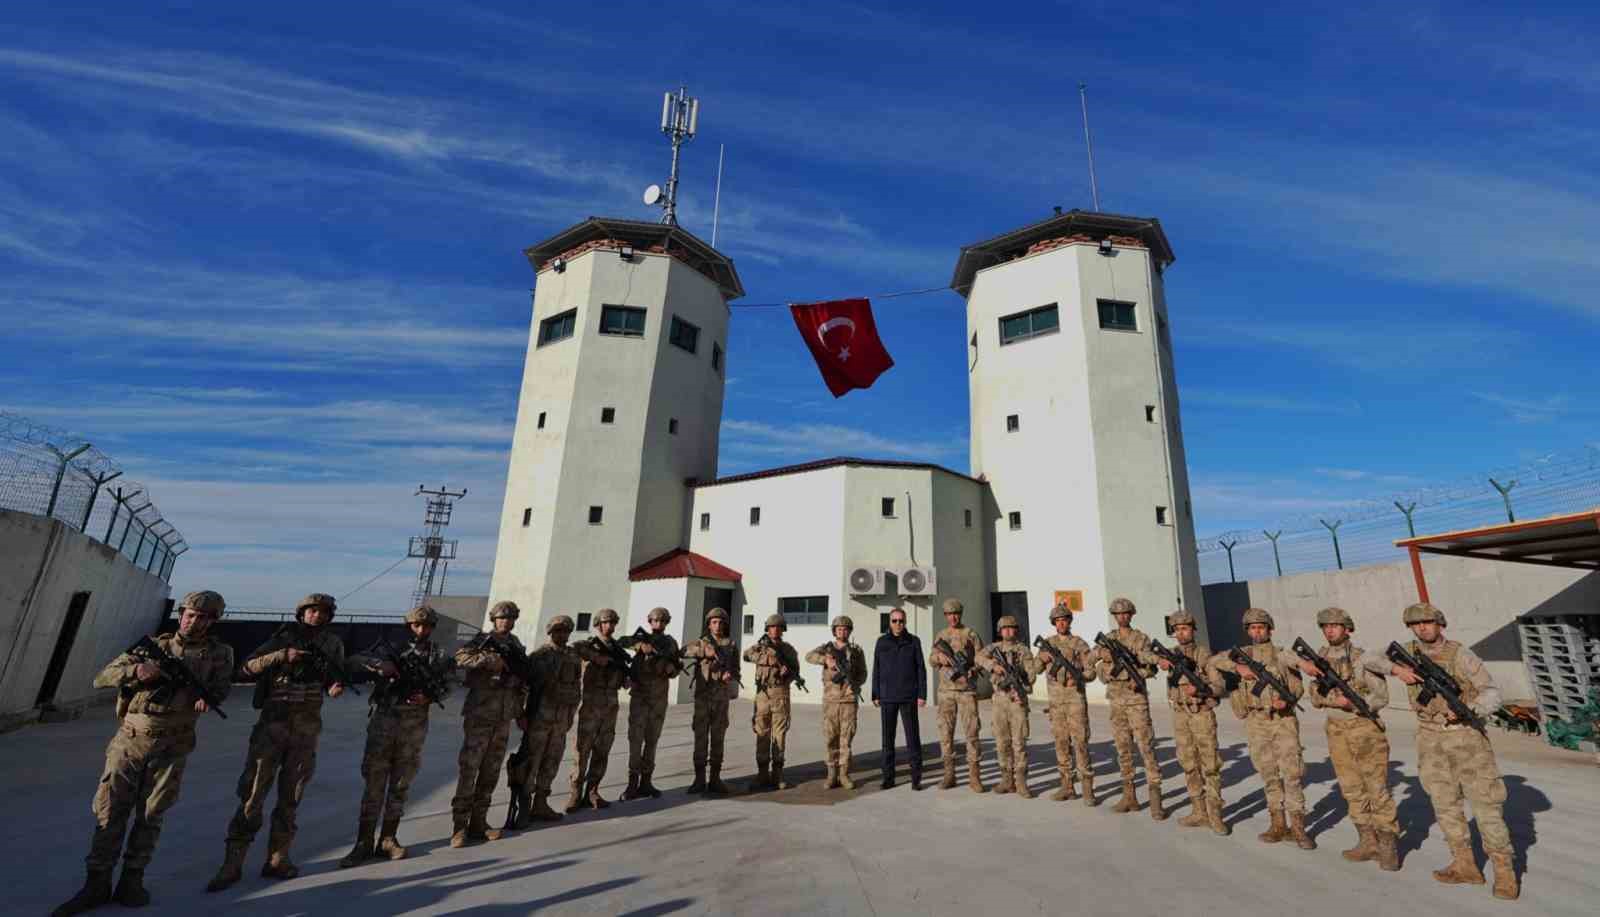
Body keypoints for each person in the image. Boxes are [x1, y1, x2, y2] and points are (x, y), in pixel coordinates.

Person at [53, 591, 233, 916]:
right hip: (131, 740)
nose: (195, 621)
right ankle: (96, 883)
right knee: (110, 810)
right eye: (191, 614)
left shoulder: (219, 654)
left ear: (213, 621)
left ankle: (132, 879)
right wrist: (136, 672)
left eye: (204, 617)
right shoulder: (153, 646)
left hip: (173, 744)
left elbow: (221, 690)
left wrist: (207, 699)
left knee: (151, 814)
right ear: (181, 614)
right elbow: (101, 677)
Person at [1369, 602, 1516, 900]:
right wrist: (1398, 670)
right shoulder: (1408, 651)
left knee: (1486, 804)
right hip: (1429, 737)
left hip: (1466, 737)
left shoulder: (1461, 654)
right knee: (1444, 803)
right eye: (1415, 624)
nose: (1422, 627)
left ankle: (1504, 872)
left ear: (1439, 623)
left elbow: (1492, 693)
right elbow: (1369, 659)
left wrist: (1468, 709)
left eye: (1427, 622)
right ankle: (1465, 865)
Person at [207, 593, 349, 891]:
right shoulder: (282, 637)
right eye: (312, 611)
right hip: (272, 727)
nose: (317, 616)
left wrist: (336, 684)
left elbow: (337, 674)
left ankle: (278, 858)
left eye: (323, 612)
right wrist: (282, 656)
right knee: (253, 795)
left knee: (291, 798)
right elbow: (245, 669)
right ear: (302, 613)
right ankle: (232, 863)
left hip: (306, 730)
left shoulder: (332, 644)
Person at [338, 604, 455, 868]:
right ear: (409, 626)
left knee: (401, 783)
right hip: (384, 722)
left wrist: (431, 696)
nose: (422, 630)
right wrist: (379, 665)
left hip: (414, 725)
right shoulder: (389, 649)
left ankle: (388, 838)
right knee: (374, 782)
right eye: (416, 625)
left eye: (426, 626)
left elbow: (450, 682)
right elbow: (354, 660)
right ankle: (363, 842)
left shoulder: (438, 654)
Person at [1297, 607, 1398, 870]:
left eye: (1335, 625)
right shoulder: (1318, 659)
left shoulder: (1362, 658)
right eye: (1325, 626)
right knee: (1351, 787)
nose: (1329, 630)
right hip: (1336, 730)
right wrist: (1333, 699)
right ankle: (1367, 841)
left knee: (1376, 788)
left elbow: (1381, 696)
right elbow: (1315, 697)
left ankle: (1387, 846)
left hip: (1364, 728)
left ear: (1347, 628)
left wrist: (1354, 704)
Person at [1208, 607, 1311, 849]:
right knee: (1268, 773)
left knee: (1292, 774)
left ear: (1269, 629)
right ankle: (1277, 824)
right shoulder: (1242, 654)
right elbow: (1214, 661)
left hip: (1282, 720)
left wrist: (1287, 700)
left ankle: (1298, 828)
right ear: (1248, 631)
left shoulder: (1281, 654)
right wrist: (1239, 669)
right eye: (1253, 628)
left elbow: (1297, 687)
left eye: (1261, 627)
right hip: (1256, 720)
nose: (1257, 631)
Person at [449, 601, 528, 845]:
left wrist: (520, 712)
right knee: (469, 769)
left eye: (510, 618)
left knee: (491, 771)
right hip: (480, 715)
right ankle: (459, 827)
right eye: (501, 618)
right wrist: (488, 659)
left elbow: (522, 681)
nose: (505, 621)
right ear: (494, 619)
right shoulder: (481, 640)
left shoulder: (515, 645)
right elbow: (460, 657)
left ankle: (479, 822)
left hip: (503, 717)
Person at [1154, 609, 1227, 833]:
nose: (1181, 633)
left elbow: (1220, 687)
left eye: (1185, 628)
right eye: (1177, 630)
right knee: (1188, 763)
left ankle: (1215, 814)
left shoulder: (1205, 656)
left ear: (1193, 630)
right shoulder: (1171, 654)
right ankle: (1198, 810)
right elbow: (1150, 656)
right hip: (1180, 713)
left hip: (1201, 713)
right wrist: (1161, 663)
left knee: (1211, 764)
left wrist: (1202, 688)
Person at [1094, 597, 1164, 818]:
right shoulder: (1108, 639)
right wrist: (1103, 654)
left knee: (1146, 747)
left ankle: (1155, 800)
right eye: (1118, 614)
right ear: (1114, 617)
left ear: (1132, 615)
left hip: (1136, 701)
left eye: (1126, 614)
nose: (1122, 617)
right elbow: (1091, 660)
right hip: (1116, 700)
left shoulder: (1141, 639)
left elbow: (1152, 669)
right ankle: (1129, 796)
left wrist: (1140, 675)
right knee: (1123, 749)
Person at [516, 614, 583, 820]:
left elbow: (576, 686)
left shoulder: (573, 656)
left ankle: (541, 803)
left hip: (561, 718)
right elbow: (523, 686)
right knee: (532, 761)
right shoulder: (539, 655)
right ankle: (524, 807)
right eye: (556, 630)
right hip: (540, 717)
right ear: (549, 632)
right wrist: (521, 713)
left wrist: (571, 713)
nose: (561, 634)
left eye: (564, 631)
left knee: (552, 761)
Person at [566, 609, 629, 812]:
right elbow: (574, 648)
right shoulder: (589, 644)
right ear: (598, 624)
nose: (609, 626)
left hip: (610, 706)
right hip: (590, 705)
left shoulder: (617, 649)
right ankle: (575, 793)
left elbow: (621, 671)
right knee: (581, 751)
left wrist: (625, 678)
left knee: (602, 750)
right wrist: (596, 657)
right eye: (606, 622)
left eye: (613, 622)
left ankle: (592, 791)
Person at [1036, 604, 1097, 803]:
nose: (1061, 623)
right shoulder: (1048, 644)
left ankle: (1088, 789)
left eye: (1065, 620)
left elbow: (1091, 671)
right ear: (1054, 623)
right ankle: (1067, 786)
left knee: (1080, 743)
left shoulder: (1079, 643)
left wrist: (1079, 677)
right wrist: (1042, 658)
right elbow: (1035, 669)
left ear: (1070, 622)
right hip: (1056, 702)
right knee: (1061, 743)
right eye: (1058, 620)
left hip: (1075, 700)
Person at [928, 598, 986, 792]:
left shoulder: (970, 634)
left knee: (971, 733)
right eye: (949, 614)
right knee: (946, 734)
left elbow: (982, 656)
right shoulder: (941, 635)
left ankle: (974, 777)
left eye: (956, 614)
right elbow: (931, 658)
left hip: (966, 691)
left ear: (960, 614)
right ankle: (949, 774)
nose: (953, 617)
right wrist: (940, 658)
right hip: (946, 692)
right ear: (945, 616)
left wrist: (974, 668)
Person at [621, 606, 679, 800]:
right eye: (655, 620)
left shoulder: (670, 643)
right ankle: (632, 783)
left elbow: (676, 668)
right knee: (635, 740)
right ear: (650, 621)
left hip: (658, 698)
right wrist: (640, 646)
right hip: (640, 697)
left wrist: (671, 668)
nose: (659, 624)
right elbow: (622, 641)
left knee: (652, 741)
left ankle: (646, 781)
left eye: (663, 621)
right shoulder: (641, 638)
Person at [682, 607, 740, 795]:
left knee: (718, 738)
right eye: (714, 622)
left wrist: (730, 674)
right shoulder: (701, 642)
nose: (718, 625)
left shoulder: (730, 644)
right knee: (700, 737)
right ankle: (699, 779)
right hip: (703, 697)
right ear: (709, 624)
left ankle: (715, 778)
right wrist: (704, 651)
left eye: (721, 622)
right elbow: (684, 651)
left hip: (721, 698)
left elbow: (736, 668)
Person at [807, 615, 869, 789]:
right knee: (830, 738)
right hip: (831, 701)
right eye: (839, 628)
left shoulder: (856, 651)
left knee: (846, 739)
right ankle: (831, 774)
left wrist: (855, 684)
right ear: (834, 631)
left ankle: (844, 774)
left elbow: (863, 673)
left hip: (849, 700)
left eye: (845, 628)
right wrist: (825, 660)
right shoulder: (826, 649)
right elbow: (809, 656)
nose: (842, 631)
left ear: (850, 631)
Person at [743, 613, 803, 790]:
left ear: (783, 630)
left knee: (779, 734)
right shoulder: (759, 648)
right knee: (762, 732)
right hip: (762, 694)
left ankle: (777, 775)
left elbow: (795, 671)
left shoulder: (788, 650)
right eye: (772, 627)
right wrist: (767, 658)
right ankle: (762, 774)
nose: (775, 630)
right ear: (767, 629)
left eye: (778, 627)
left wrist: (788, 673)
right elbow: (746, 655)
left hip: (780, 693)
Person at [979, 616, 1036, 796]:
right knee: (1001, 742)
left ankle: (1021, 782)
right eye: (1005, 628)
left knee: (1019, 743)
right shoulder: (993, 649)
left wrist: (1021, 684)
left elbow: (1032, 674)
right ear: (1000, 631)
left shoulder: (1023, 651)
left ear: (1016, 630)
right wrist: (992, 666)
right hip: (999, 701)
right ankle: (1006, 780)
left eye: (1012, 628)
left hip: (1017, 702)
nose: (1008, 631)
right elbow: (978, 657)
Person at [870, 608, 927, 790]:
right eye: (894, 621)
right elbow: (876, 669)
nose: (898, 624)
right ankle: (888, 778)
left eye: (901, 621)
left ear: (905, 622)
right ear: (889, 622)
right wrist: (875, 693)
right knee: (888, 740)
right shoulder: (881, 642)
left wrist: (922, 694)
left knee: (913, 738)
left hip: (908, 696)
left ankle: (916, 778)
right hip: (887, 697)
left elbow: (921, 669)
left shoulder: (913, 641)